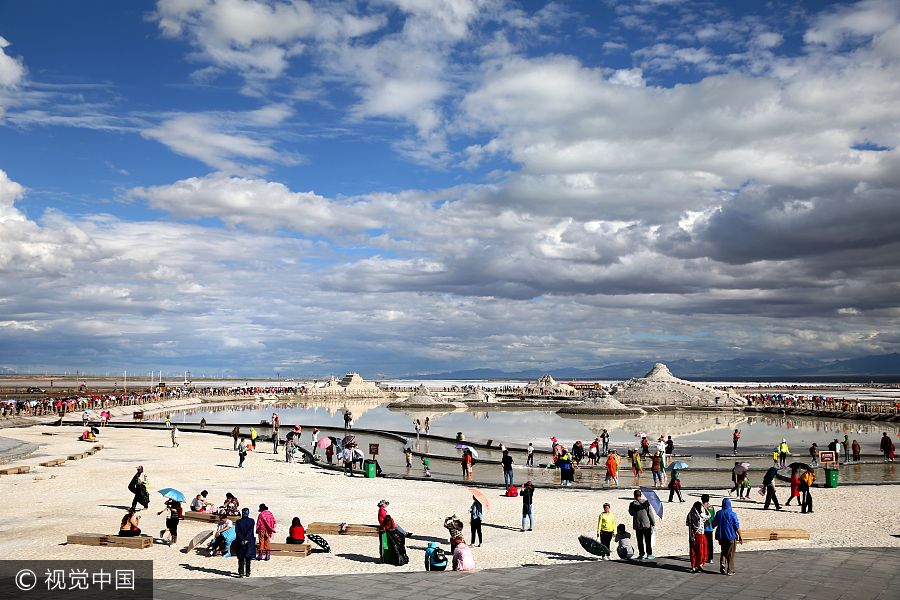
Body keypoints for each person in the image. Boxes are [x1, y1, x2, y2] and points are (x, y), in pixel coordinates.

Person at [712, 498, 743, 575]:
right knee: (731, 553)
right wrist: (740, 536)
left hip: (721, 536)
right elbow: (736, 526)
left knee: (723, 550)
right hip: (731, 535)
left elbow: (714, 524)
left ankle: (723, 563)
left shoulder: (719, 513)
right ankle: (730, 570)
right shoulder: (733, 514)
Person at [628, 489, 656, 560]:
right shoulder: (646, 503)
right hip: (646, 524)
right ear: (640, 495)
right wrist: (653, 522)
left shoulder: (632, 504)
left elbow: (631, 513)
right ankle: (649, 554)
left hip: (637, 525)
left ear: (634, 496)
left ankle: (641, 554)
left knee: (639, 541)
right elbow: (650, 513)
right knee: (648, 540)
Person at [686, 501, 708, 573]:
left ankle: (693, 566)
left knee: (693, 551)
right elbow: (709, 516)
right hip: (700, 535)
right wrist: (705, 508)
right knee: (701, 551)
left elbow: (687, 524)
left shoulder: (690, 514)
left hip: (693, 534)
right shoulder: (701, 515)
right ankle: (700, 564)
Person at [235, 508, 256, 577]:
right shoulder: (251, 521)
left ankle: (241, 572)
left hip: (240, 541)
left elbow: (237, 531)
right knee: (248, 557)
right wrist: (246, 539)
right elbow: (250, 531)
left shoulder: (238, 521)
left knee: (241, 557)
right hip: (249, 541)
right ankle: (247, 572)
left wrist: (242, 539)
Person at [701, 494, 716, 565]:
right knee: (710, 544)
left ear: (702, 499)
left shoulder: (702, 507)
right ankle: (710, 558)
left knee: (703, 543)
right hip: (710, 528)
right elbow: (713, 517)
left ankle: (704, 557)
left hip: (703, 528)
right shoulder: (711, 507)